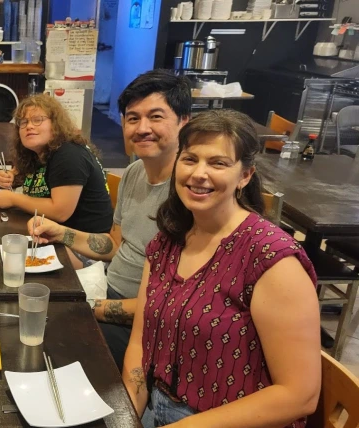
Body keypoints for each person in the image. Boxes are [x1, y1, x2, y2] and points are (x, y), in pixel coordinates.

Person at [122, 110, 320, 427]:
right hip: (156, 409)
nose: (199, 173)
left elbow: (300, 395)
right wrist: (126, 414)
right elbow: (139, 340)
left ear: (245, 175)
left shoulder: (272, 259)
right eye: (190, 159)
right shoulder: (167, 241)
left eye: (218, 163)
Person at [28, 70, 191, 370]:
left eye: (156, 117)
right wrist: (60, 232)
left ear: (184, 121)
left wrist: (91, 308)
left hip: (147, 325)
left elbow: (170, 305)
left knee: (46, 344)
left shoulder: (192, 193)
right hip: (105, 287)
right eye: (132, 118)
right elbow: (114, 244)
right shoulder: (132, 173)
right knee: (26, 311)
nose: (142, 128)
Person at [0, 93, 113, 268]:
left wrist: (12, 199)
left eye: (37, 120)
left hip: (85, 249)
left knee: (6, 263)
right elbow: (28, 181)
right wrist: (9, 177)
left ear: (56, 125)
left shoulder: (69, 154)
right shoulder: (38, 154)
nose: (29, 126)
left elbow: (60, 211)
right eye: (23, 123)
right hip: (51, 234)